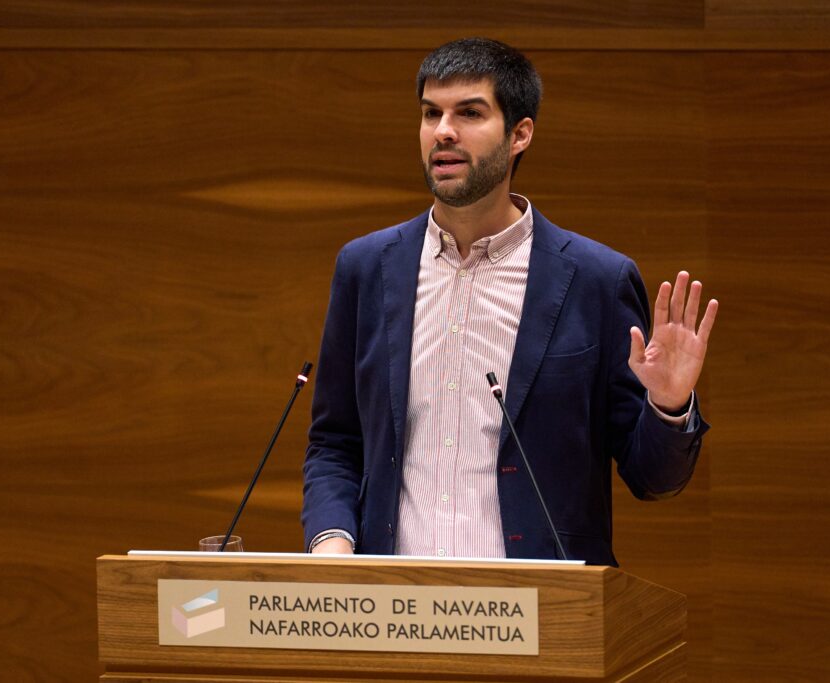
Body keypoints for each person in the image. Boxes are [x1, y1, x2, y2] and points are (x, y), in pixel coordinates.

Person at [301, 37, 718, 565]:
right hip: (397, 602)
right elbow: (335, 442)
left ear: (520, 134)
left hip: (539, 604)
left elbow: (653, 478)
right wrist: (332, 541)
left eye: (469, 113)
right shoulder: (366, 268)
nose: (443, 131)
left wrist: (669, 406)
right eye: (431, 113)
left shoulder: (596, 280)